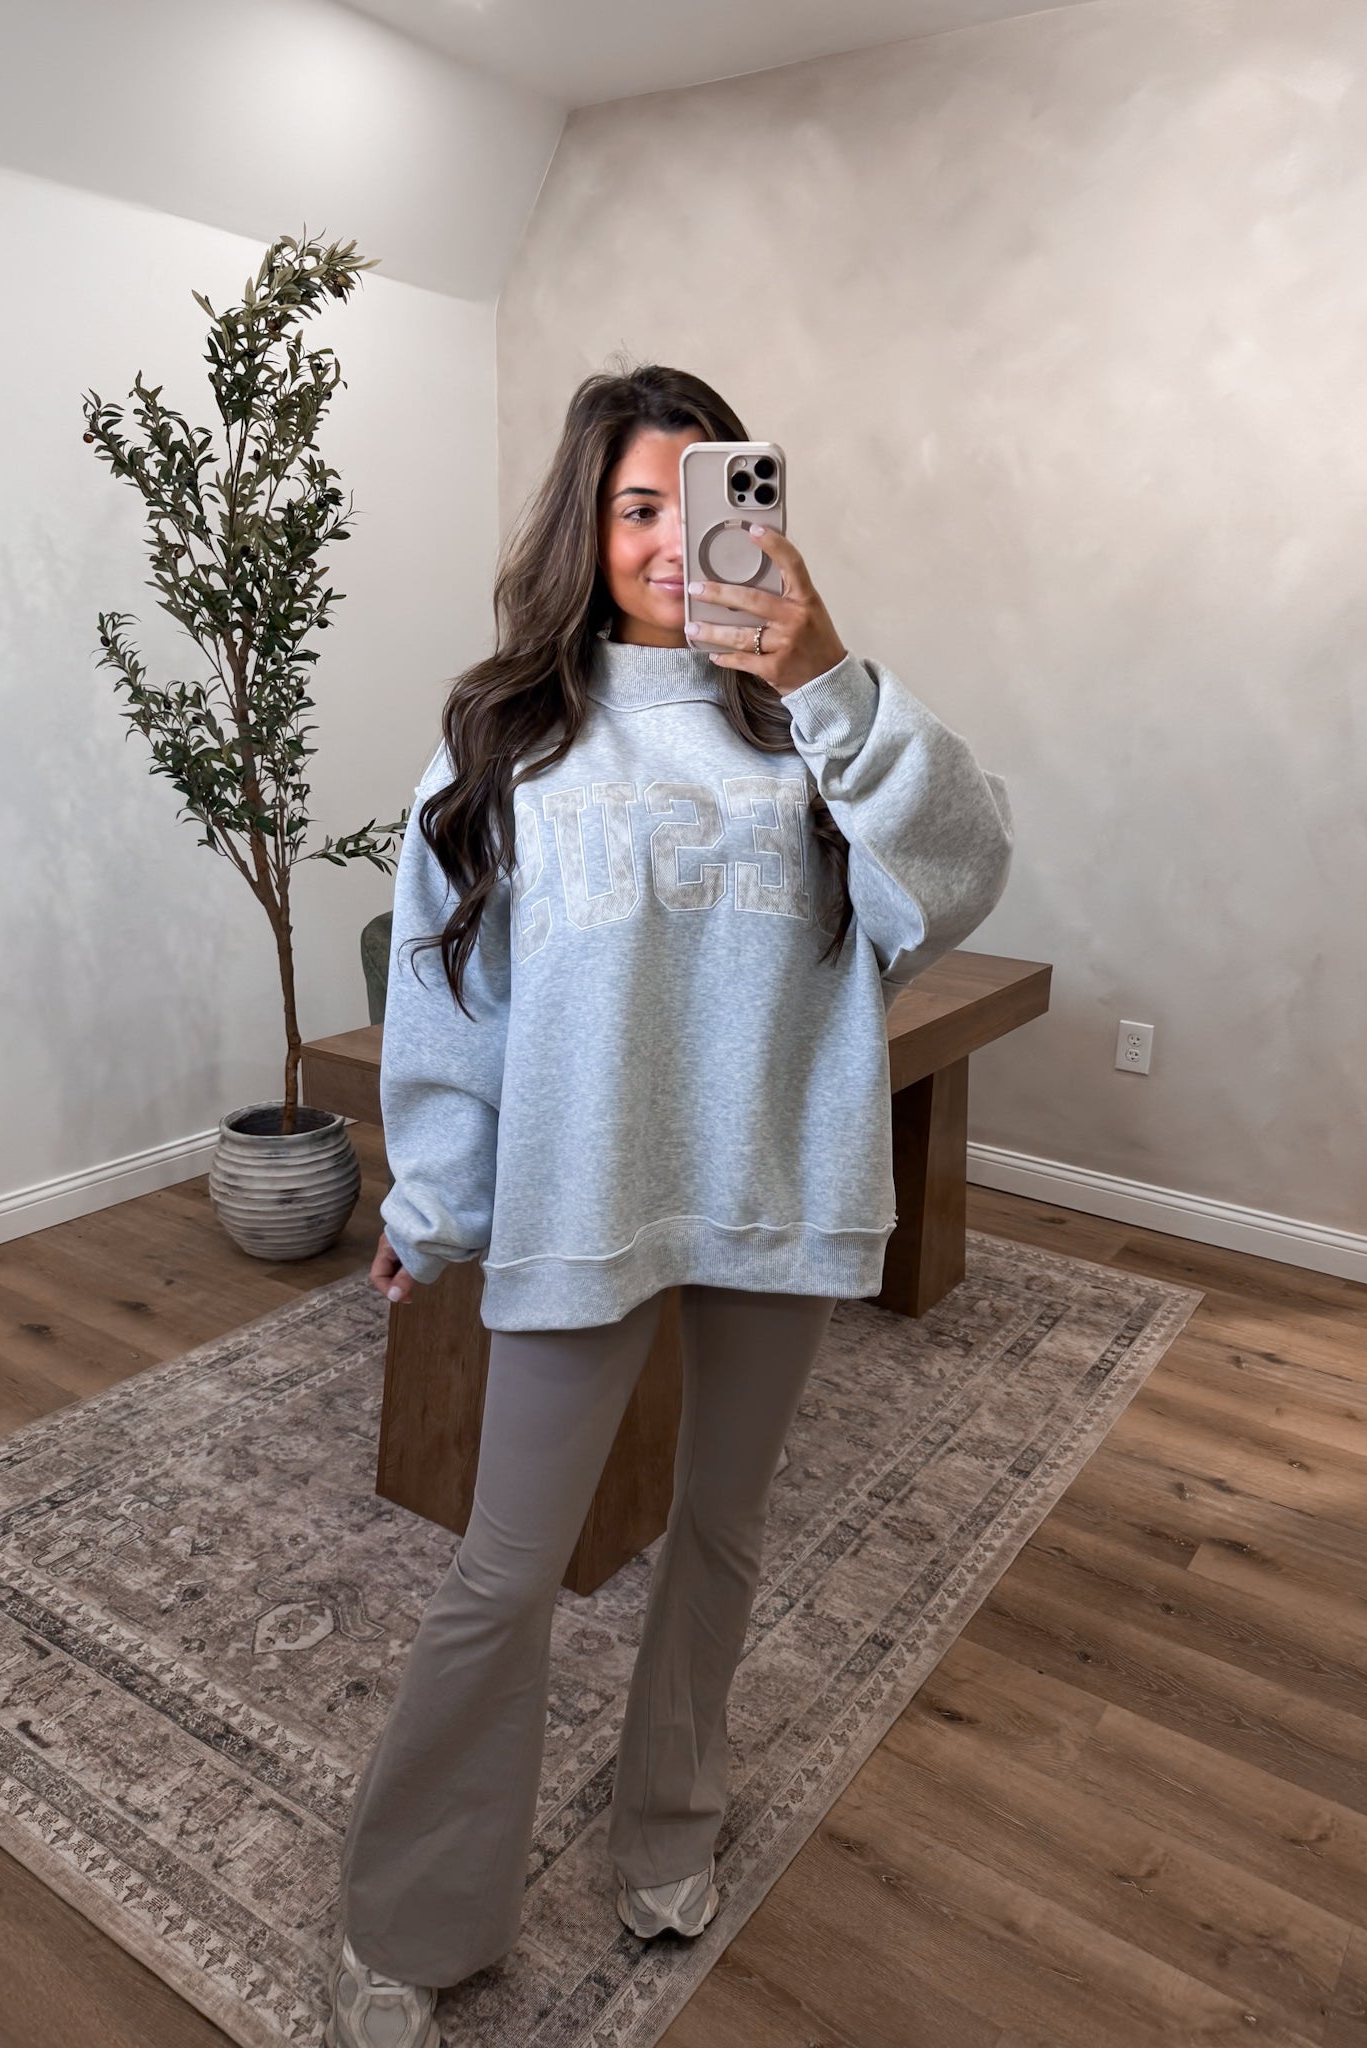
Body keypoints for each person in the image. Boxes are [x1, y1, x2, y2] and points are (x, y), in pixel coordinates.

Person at [325, 363, 1014, 2048]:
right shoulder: (507, 737)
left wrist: (832, 671)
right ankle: (412, 1919)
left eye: (706, 501)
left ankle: (669, 1836)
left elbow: (965, 867)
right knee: (507, 1565)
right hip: (584, 1201)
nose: (668, 539)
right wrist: (434, 1203)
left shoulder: (815, 722)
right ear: (590, 523)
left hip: (771, 1188)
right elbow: (453, 996)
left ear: (757, 514)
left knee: (720, 1528)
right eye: (638, 506)